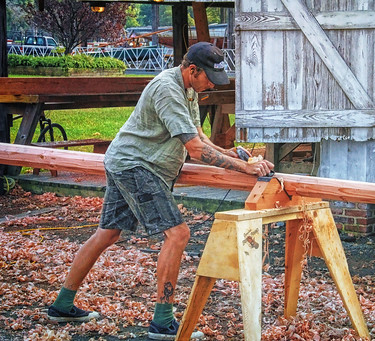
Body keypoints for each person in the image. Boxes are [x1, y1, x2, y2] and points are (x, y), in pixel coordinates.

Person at [47, 42, 274, 340]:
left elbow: (199, 135)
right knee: (178, 234)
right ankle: (163, 322)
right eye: (208, 78)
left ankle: (62, 305)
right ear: (192, 69)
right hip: (138, 166)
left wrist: (231, 153)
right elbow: (193, 150)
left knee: (108, 232)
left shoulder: (189, 89)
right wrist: (243, 169)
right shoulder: (167, 90)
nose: (209, 86)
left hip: (125, 161)